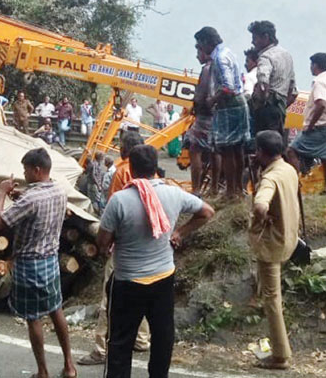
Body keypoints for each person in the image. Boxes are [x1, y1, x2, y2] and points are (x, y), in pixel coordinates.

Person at [97, 145, 215, 378]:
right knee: (162, 337)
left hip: (128, 281)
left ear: (130, 168)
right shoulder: (174, 194)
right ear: (155, 168)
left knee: (120, 342)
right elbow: (208, 212)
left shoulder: (119, 201)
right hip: (163, 278)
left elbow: (102, 242)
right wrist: (180, 231)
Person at [0, 149, 76, 378]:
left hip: (29, 265)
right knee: (56, 309)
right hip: (51, 260)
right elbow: (36, 201)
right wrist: (19, 194)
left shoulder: (30, 199)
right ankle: (69, 366)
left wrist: (1, 194)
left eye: (26, 169)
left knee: (33, 317)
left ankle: (42, 371)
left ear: (37, 170)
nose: (24, 173)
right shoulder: (59, 189)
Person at [79, 132, 149, 366]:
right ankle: (141, 339)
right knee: (143, 295)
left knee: (109, 298)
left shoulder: (122, 171)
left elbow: (113, 210)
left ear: (126, 149)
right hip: (147, 247)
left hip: (124, 246)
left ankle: (100, 348)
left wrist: (105, 244)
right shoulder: (153, 173)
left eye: (121, 145)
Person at [249, 130, 299, 370]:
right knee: (273, 295)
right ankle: (280, 351)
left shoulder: (270, 179)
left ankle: (280, 355)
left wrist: (263, 214)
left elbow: (260, 204)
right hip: (289, 238)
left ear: (260, 151)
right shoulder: (288, 169)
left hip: (271, 244)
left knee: (272, 300)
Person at [195, 26, 251, 200]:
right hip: (238, 103)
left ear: (207, 42)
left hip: (229, 105)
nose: (199, 48)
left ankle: (230, 192)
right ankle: (237, 190)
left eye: (199, 44)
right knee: (237, 149)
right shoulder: (228, 52)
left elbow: (227, 87)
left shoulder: (219, 58)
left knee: (226, 149)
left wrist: (212, 100)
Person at [286, 53, 326, 192]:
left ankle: (295, 184)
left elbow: (321, 104)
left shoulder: (319, 82)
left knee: (292, 150)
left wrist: (310, 125)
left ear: (315, 65)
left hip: (319, 127)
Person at [248, 21, 297, 142]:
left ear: (265, 37)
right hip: (280, 108)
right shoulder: (287, 56)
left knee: (262, 146)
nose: (253, 42)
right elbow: (294, 91)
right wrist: (280, 107)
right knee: (275, 145)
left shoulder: (265, 57)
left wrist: (259, 105)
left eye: (255, 38)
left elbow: (263, 84)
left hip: (266, 108)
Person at [187, 47, 220, 196]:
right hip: (216, 116)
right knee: (215, 151)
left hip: (204, 116)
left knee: (194, 149)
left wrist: (196, 105)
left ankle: (196, 189)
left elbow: (201, 93)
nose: (196, 56)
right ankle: (214, 187)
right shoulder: (220, 66)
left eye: (198, 51)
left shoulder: (207, 68)